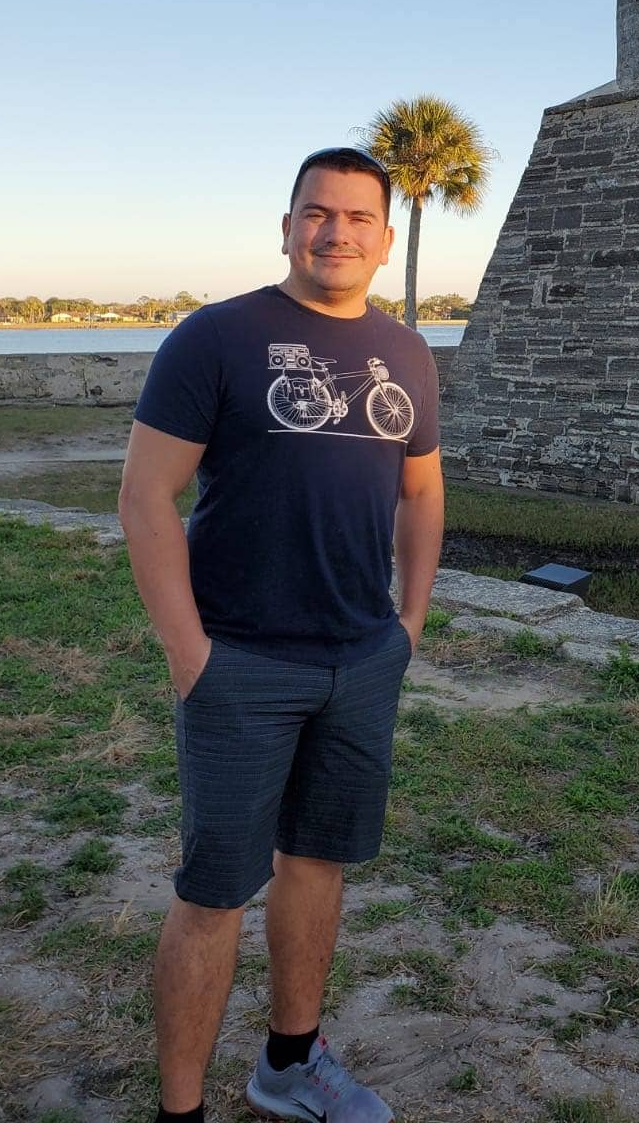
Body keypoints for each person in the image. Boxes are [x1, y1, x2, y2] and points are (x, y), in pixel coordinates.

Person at [119, 146, 443, 1123]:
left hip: (359, 659)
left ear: (385, 238)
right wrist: (191, 654)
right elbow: (145, 496)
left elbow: (422, 495)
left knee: (317, 861)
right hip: (241, 663)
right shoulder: (216, 338)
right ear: (289, 224)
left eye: (355, 216)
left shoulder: (408, 353)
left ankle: (290, 1065)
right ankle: (181, 1111)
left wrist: (409, 625)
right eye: (316, 213)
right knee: (215, 891)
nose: (334, 231)